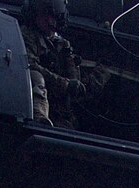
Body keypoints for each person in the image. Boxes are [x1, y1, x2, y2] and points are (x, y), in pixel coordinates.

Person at [18, 0, 91, 128]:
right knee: (35, 76)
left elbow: (74, 81)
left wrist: (74, 75)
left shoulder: (62, 44)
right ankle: (39, 117)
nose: (48, 21)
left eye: (51, 16)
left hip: (61, 110)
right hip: (35, 96)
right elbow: (29, 64)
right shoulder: (27, 34)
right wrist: (65, 84)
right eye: (43, 16)